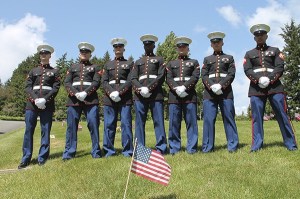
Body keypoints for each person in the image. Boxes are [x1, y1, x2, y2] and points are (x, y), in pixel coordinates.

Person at [243, 24, 297, 152]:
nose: (260, 37)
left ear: (266, 36)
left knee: (283, 115)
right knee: (256, 118)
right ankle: (256, 146)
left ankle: (291, 144)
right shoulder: (249, 54)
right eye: (257, 35)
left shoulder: (275, 50)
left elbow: (280, 67)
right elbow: (247, 69)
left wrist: (270, 79)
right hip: (256, 88)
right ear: (254, 38)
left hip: (275, 87)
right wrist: (258, 80)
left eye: (262, 35)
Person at [18, 44, 60, 169]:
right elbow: (28, 87)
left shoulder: (55, 72)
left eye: (46, 54)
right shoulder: (33, 71)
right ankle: (26, 158)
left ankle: (42, 157)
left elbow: (55, 88)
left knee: (45, 131)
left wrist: (45, 100)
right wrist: (36, 99)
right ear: (39, 55)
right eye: (42, 54)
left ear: (50, 56)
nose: (43, 56)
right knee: (28, 131)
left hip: (47, 105)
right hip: (32, 104)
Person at [62, 42, 102, 160]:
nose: (84, 54)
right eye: (82, 52)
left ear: (90, 54)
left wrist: (85, 93)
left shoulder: (95, 67)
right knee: (71, 126)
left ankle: (96, 151)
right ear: (79, 54)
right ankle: (69, 152)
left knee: (93, 124)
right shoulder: (72, 67)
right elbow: (67, 82)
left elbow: (96, 82)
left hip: (90, 100)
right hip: (73, 100)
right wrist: (75, 93)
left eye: (86, 52)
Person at [201, 32, 239, 153]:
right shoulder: (207, 59)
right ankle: (207, 147)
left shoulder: (229, 58)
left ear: (222, 43)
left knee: (228, 118)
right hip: (209, 93)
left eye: (218, 42)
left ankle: (232, 145)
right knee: (208, 120)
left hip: (226, 92)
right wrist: (212, 86)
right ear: (211, 44)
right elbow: (204, 75)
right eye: (214, 42)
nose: (216, 44)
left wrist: (221, 85)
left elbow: (231, 74)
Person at [131, 34, 167, 154]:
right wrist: (141, 89)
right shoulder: (138, 62)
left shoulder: (159, 60)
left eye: (150, 44)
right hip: (140, 96)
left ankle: (161, 148)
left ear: (154, 45)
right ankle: (140, 149)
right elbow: (133, 78)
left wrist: (150, 88)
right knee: (139, 122)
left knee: (159, 121)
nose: (148, 46)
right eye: (146, 45)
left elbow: (161, 76)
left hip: (156, 95)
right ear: (143, 46)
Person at [166, 36, 200, 155]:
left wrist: (184, 87)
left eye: (184, 46)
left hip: (189, 96)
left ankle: (192, 148)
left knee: (191, 123)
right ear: (177, 49)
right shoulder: (171, 64)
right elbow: (168, 78)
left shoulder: (194, 62)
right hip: (174, 97)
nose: (181, 48)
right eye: (179, 47)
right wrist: (176, 88)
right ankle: (174, 148)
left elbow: (195, 77)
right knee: (174, 124)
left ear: (188, 48)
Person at [102, 38, 133, 157]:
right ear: (113, 49)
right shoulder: (107, 64)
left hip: (125, 98)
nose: (118, 49)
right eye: (116, 47)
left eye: (120, 47)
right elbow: (104, 81)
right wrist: (111, 93)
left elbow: (130, 80)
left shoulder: (129, 63)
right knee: (109, 125)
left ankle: (128, 151)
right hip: (109, 99)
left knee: (126, 124)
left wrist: (119, 92)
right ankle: (109, 151)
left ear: (123, 49)